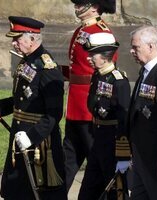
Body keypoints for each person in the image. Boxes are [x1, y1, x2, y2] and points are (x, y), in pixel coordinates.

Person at [0, 16, 67, 200]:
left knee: (43, 192)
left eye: (17, 39)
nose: (13, 43)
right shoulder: (26, 61)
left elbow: (54, 113)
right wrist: (0, 106)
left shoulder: (47, 68)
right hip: (20, 136)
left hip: (40, 143)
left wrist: (32, 136)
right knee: (16, 190)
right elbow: (22, 99)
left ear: (32, 39)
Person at [62, 0, 117, 192]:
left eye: (82, 3)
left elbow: (106, 70)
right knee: (68, 159)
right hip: (76, 104)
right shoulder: (82, 30)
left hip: (88, 105)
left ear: (95, 7)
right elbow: (75, 67)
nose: (77, 6)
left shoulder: (101, 32)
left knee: (96, 161)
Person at [77, 32, 131, 200]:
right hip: (98, 140)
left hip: (113, 144)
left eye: (93, 54)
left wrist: (123, 156)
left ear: (106, 56)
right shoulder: (97, 75)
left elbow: (124, 119)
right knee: (88, 191)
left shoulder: (119, 81)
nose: (89, 58)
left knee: (115, 192)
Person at [128, 25, 157, 200]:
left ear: (151, 46)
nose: (132, 51)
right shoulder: (146, 71)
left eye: (135, 47)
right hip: (142, 155)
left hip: (154, 157)